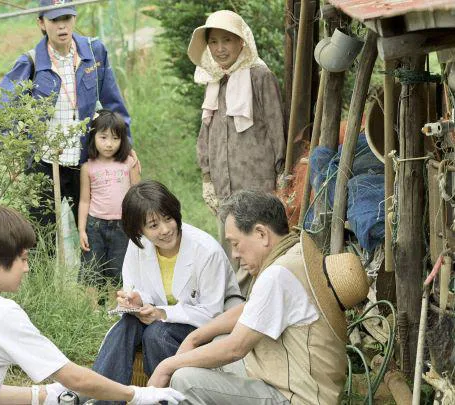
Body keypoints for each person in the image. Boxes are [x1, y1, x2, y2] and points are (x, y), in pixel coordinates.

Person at [0, 206, 184, 405]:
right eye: (24, 259)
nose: (27, 268)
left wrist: (43, 395)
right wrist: (139, 394)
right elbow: (75, 377)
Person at [147, 190, 370, 404]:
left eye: (235, 243)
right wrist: (194, 338)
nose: (234, 254)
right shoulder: (292, 254)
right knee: (215, 343)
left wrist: (166, 366)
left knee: (185, 381)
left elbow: (235, 348)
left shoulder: (277, 275)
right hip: (300, 381)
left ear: (261, 234)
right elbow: (250, 309)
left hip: (297, 398)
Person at [91, 180, 243, 404]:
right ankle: (101, 397)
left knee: (157, 335)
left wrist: (162, 314)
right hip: (163, 319)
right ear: (138, 230)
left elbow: (212, 313)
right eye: (153, 226)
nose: (165, 230)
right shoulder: (139, 245)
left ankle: (167, 400)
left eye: (168, 218)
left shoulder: (206, 250)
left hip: (207, 325)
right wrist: (137, 300)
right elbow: (139, 288)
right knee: (126, 325)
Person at [0, 0, 134, 232]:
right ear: (41, 23)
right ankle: (48, 269)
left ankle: (91, 270)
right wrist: (10, 154)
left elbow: (113, 102)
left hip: (84, 161)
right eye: (54, 20)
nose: (62, 26)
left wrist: (127, 145)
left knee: (92, 231)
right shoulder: (30, 62)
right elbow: (4, 109)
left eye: (66, 19)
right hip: (44, 163)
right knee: (42, 234)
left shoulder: (93, 52)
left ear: (74, 19)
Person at [187, 10, 287, 296]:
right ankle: (236, 309)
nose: (220, 48)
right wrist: (207, 175)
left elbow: (275, 126)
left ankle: (259, 307)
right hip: (225, 185)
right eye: (214, 42)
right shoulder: (214, 80)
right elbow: (206, 133)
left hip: (256, 183)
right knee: (233, 249)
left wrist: (281, 173)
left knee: (259, 249)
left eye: (227, 40)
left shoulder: (259, 76)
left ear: (241, 41)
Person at [78, 109, 140, 289]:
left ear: (122, 140)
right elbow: (84, 201)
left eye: (115, 138)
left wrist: (137, 225)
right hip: (94, 226)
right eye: (103, 137)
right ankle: (92, 313)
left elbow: (137, 196)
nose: (109, 144)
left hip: (123, 226)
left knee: (119, 272)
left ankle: (114, 313)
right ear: (94, 137)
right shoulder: (88, 167)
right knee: (91, 270)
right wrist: (82, 230)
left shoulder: (129, 163)